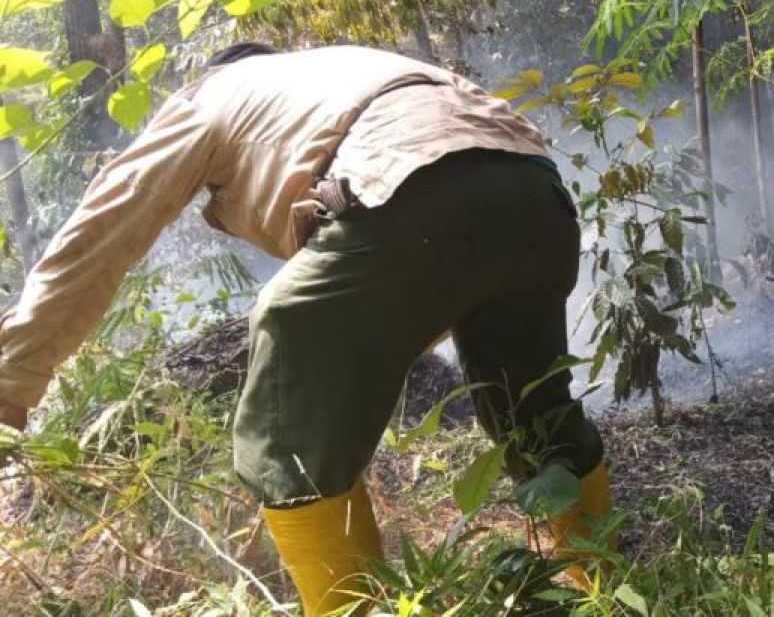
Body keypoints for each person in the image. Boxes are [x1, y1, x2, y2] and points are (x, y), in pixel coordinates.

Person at [0, 44, 611, 614]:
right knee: (531, 409)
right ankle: (601, 589)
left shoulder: (213, 96)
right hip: (535, 196)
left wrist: (13, 376)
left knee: (283, 410)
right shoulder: (333, 72)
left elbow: (104, 227)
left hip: (409, 182)